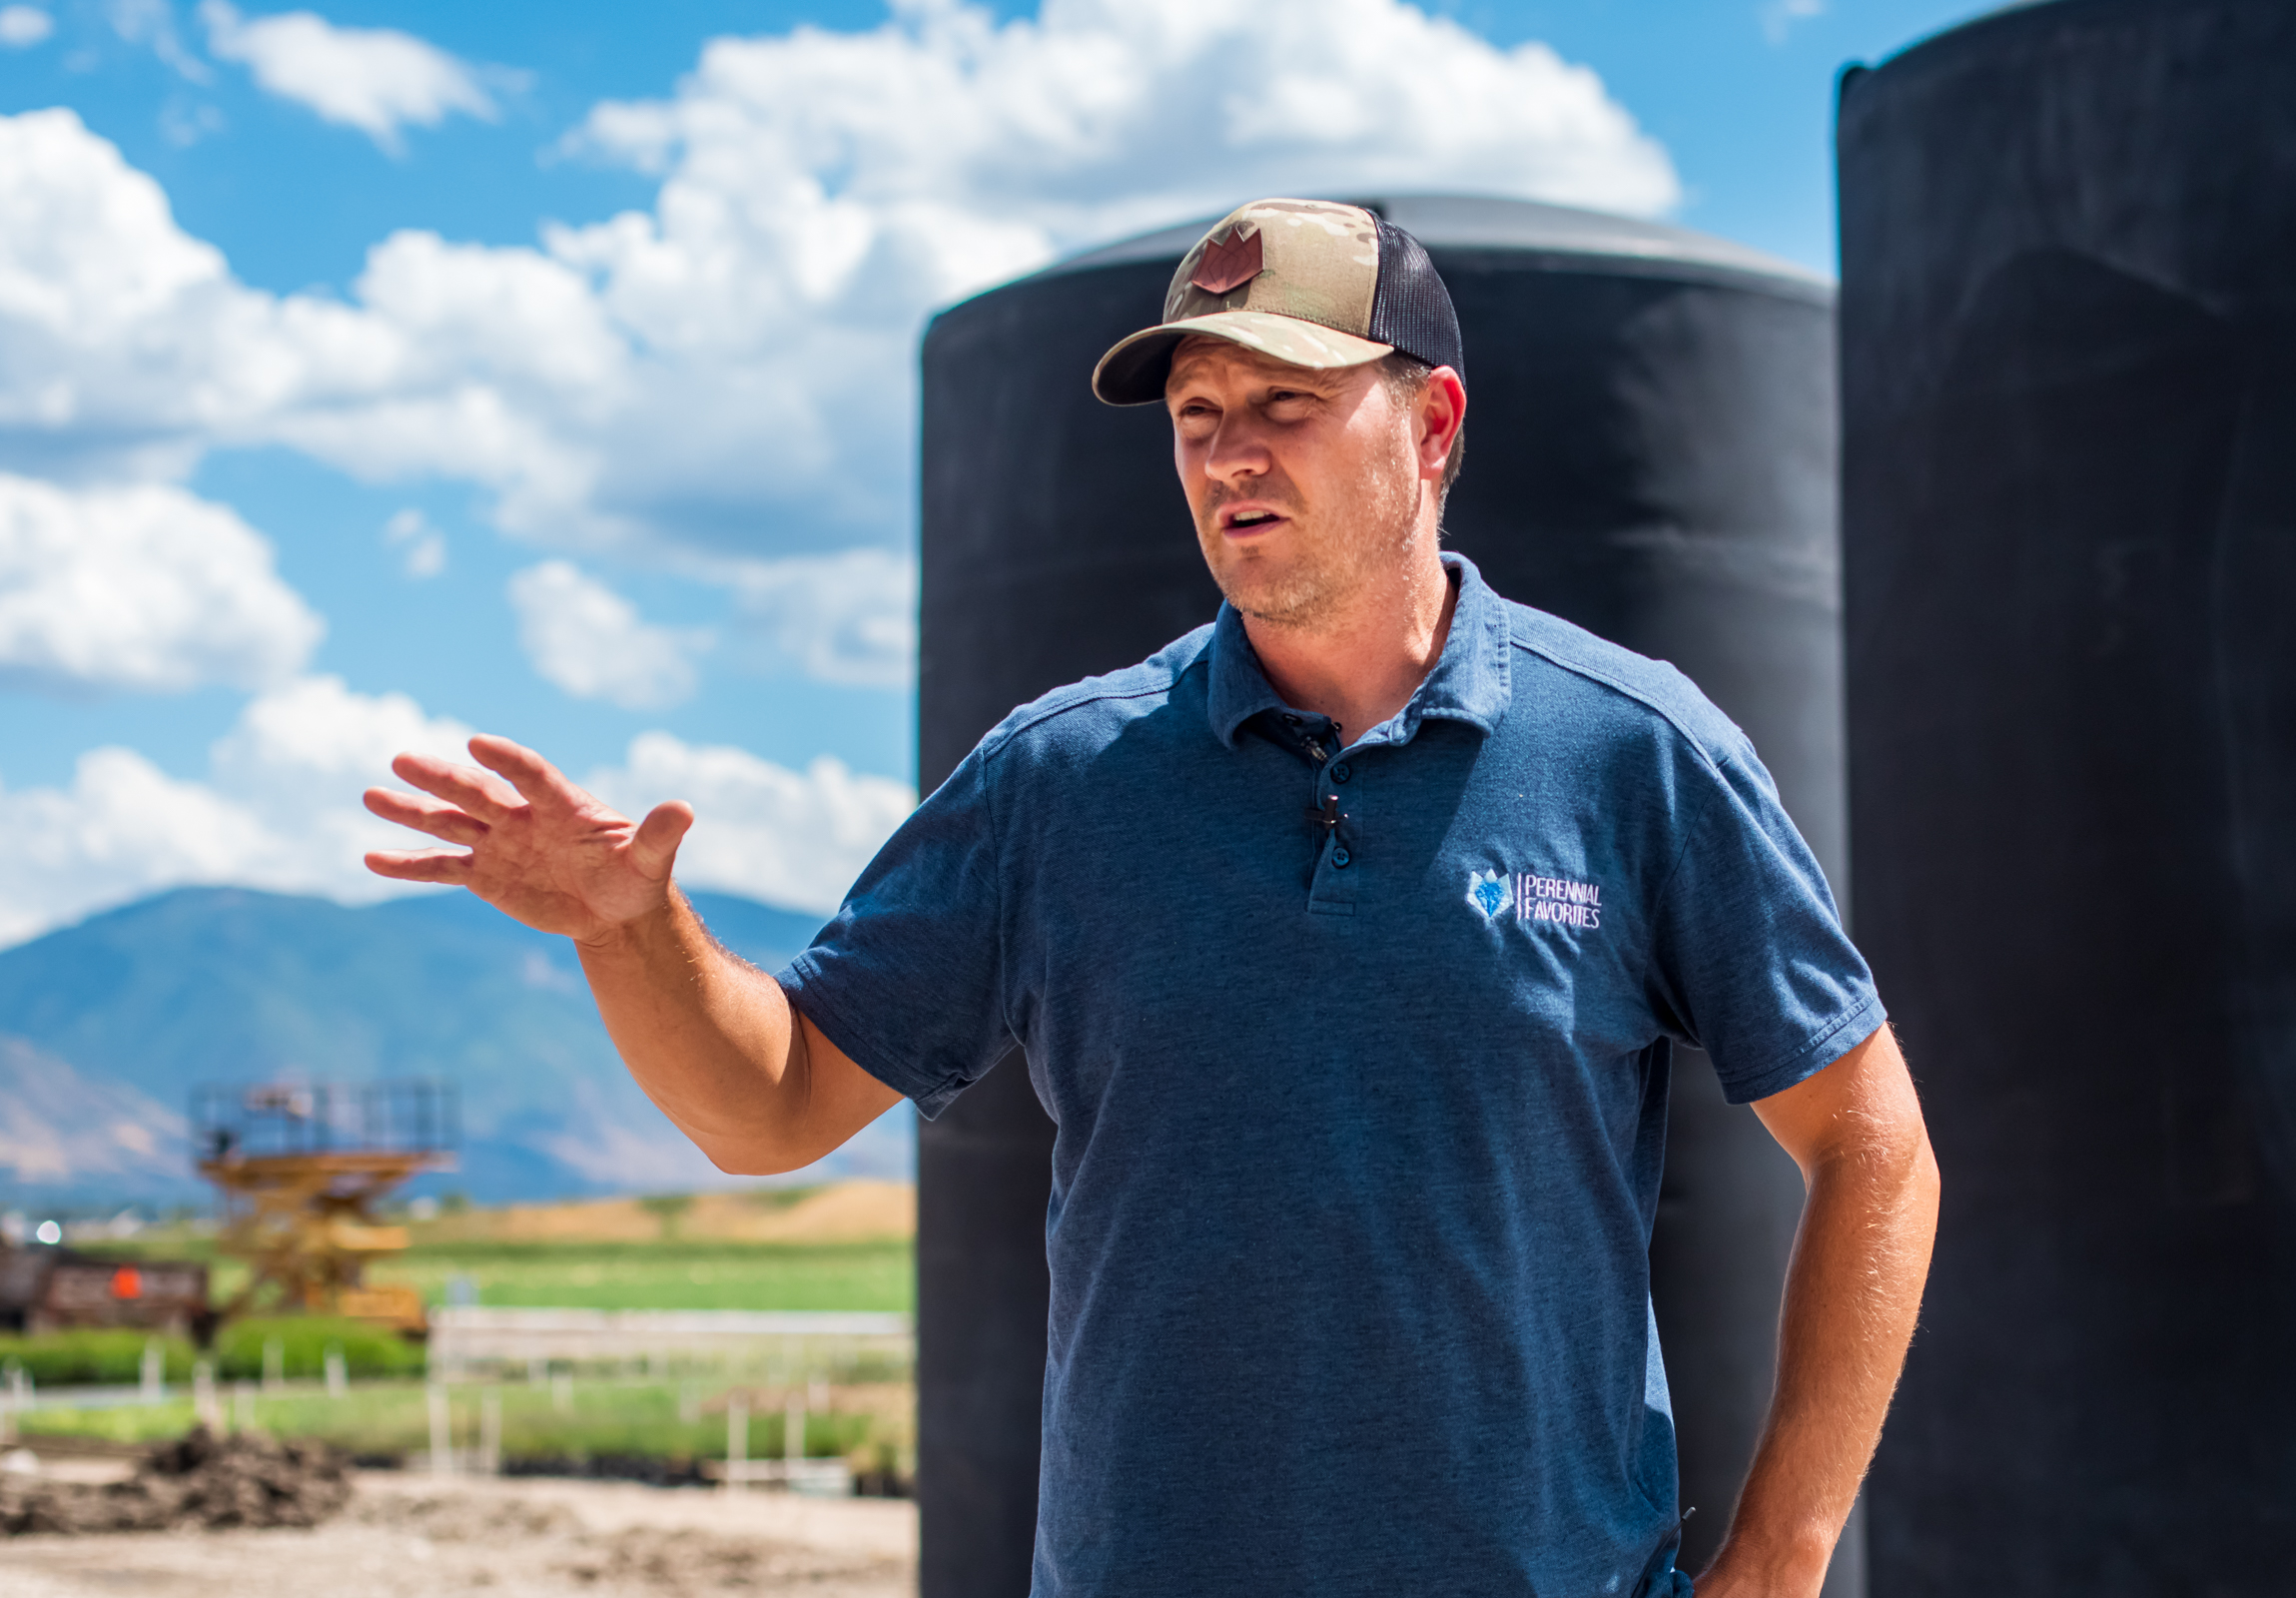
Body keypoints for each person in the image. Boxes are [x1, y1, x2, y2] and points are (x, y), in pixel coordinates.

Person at [364, 198, 1939, 1598]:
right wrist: (634, 935)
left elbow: (1874, 1146)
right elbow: (766, 1111)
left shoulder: (1633, 753)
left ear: (1434, 424)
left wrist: (1779, 1564)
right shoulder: (1061, 782)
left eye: (1285, 404)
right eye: (1196, 414)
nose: (1229, 453)